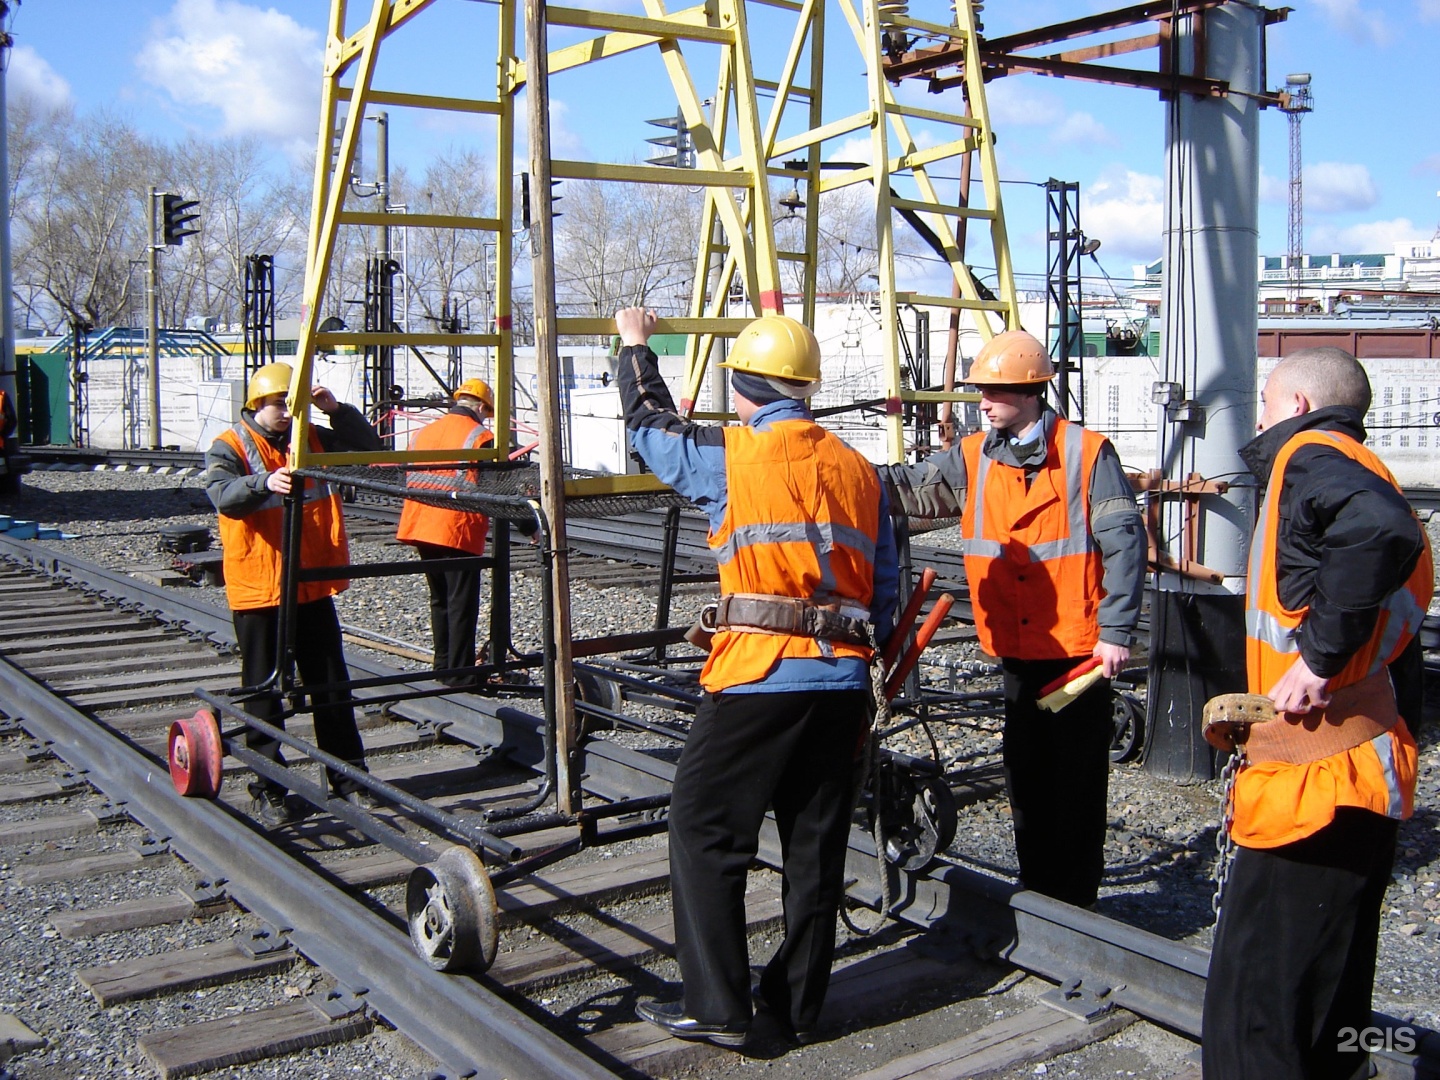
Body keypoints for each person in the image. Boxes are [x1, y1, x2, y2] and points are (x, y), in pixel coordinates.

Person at [616, 307, 899, 1049]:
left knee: (704, 828)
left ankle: (716, 1005)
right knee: (815, 849)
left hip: (758, 677)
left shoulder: (729, 455)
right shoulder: (860, 471)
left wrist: (635, 348)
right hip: (842, 682)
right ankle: (797, 1009)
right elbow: (886, 588)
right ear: (805, 389)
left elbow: (649, 429)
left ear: (742, 384)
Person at [1202, 346, 1433, 1080]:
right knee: (1329, 1002)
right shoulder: (1369, 467)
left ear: (1298, 406)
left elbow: (1379, 532)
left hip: (1313, 781)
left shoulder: (1309, 453)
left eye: (1267, 405)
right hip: (1360, 768)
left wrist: (1319, 658)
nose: (1262, 421)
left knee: (1257, 1007)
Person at [877, 329, 1147, 909]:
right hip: (1016, 648)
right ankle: (1039, 890)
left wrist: (1118, 631)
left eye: (994, 391)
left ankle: (1075, 899)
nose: (982, 401)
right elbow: (912, 489)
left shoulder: (1086, 453)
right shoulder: (975, 455)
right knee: (1024, 771)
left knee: (1074, 779)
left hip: (1077, 650)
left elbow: (1126, 544)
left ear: (1029, 392)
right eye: (981, 391)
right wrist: (842, 471)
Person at [204, 361, 383, 827]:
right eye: (280, 404)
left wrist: (337, 410)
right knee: (263, 691)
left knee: (331, 686)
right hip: (260, 588)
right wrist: (262, 481)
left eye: (293, 403)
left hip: (309, 583)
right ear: (256, 404)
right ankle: (268, 786)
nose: (287, 412)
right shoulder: (231, 445)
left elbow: (369, 450)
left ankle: (349, 780)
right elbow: (222, 494)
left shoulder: (314, 437)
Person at [395, 379, 498, 688]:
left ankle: (442, 666)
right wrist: (529, 525)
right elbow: (494, 488)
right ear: (481, 407)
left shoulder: (424, 432)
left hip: (420, 522)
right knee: (460, 602)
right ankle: (460, 674)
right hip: (456, 528)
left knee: (440, 598)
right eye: (487, 412)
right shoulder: (481, 437)